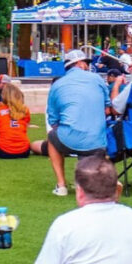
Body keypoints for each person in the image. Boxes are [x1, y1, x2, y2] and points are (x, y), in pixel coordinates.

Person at [45, 50, 111, 196]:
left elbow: (53, 120)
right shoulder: (97, 79)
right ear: (79, 63)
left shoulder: (57, 85)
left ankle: (61, 185)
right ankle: (83, 181)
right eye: (86, 63)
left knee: (52, 137)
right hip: (97, 141)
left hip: (69, 138)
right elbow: (107, 109)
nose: (88, 66)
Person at [0, 82, 44, 159]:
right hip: (24, 151)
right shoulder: (25, 110)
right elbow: (23, 127)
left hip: (3, 151)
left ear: (4, 96)